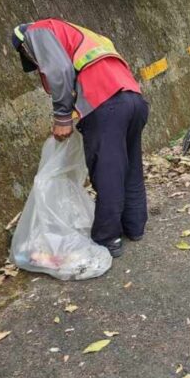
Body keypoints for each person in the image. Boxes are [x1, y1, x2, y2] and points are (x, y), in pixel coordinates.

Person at [10, 19, 148, 258]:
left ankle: (108, 238)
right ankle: (135, 226)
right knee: (131, 167)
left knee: (108, 174)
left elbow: (59, 70)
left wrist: (62, 116)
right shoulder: (81, 33)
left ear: (23, 46)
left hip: (106, 103)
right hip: (134, 100)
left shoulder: (35, 31)